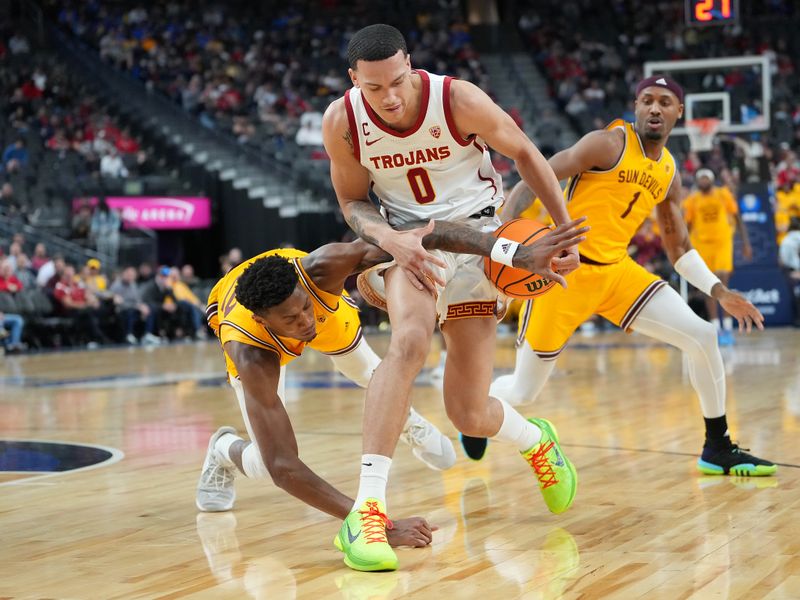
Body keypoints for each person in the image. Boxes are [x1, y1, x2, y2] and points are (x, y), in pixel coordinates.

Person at [322, 24, 585, 571]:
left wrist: (562, 233)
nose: (389, 97)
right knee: (409, 341)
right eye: (374, 88)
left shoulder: (456, 99)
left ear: (411, 64)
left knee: (467, 413)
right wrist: (389, 238)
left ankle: (533, 437)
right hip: (409, 242)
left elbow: (528, 155)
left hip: (479, 239)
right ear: (354, 80)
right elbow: (352, 202)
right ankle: (368, 510)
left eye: (397, 81)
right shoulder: (342, 121)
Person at [483, 76, 775, 480]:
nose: (654, 108)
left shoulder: (670, 172)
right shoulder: (608, 143)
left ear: (679, 112)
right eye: (647, 101)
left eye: (665, 102)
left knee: (703, 337)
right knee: (522, 392)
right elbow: (537, 174)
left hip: (617, 274)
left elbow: (678, 249)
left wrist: (719, 290)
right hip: (563, 273)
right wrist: (502, 238)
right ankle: (480, 410)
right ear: (636, 106)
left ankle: (717, 446)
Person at [197, 242, 458, 548]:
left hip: (313, 299)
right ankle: (223, 449)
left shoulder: (321, 272)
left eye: (305, 309)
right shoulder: (250, 352)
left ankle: (406, 420)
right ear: (263, 320)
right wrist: (374, 522)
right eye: (292, 319)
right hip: (251, 328)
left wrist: (499, 251)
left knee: (372, 374)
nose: (306, 322)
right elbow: (284, 466)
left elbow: (404, 243)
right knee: (268, 463)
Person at [683, 168, 753, 345]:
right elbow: (688, 226)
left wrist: (746, 243)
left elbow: (737, 217)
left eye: (707, 177)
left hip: (722, 243)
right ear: (697, 181)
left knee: (723, 281)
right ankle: (716, 329)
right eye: (701, 178)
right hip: (702, 245)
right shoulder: (692, 200)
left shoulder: (723, 194)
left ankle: (728, 327)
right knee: (709, 286)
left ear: (712, 179)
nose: (704, 180)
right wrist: (685, 248)